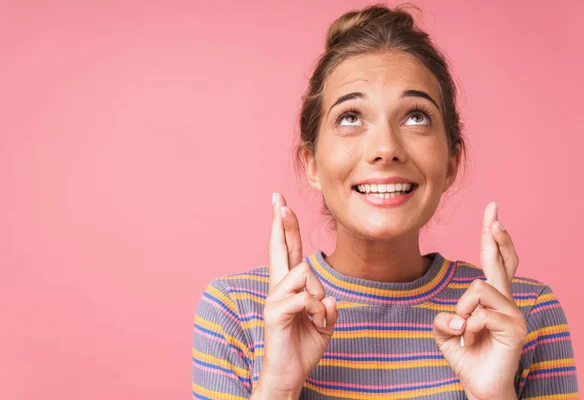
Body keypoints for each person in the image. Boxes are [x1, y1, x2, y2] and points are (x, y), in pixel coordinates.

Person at [192, 4, 578, 399]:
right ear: (311, 163)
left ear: (451, 163)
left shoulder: (524, 313)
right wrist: (278, 385)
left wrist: (495, 393)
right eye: (350, 117)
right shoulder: (238, 311)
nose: (385, 148)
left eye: (415, 117)